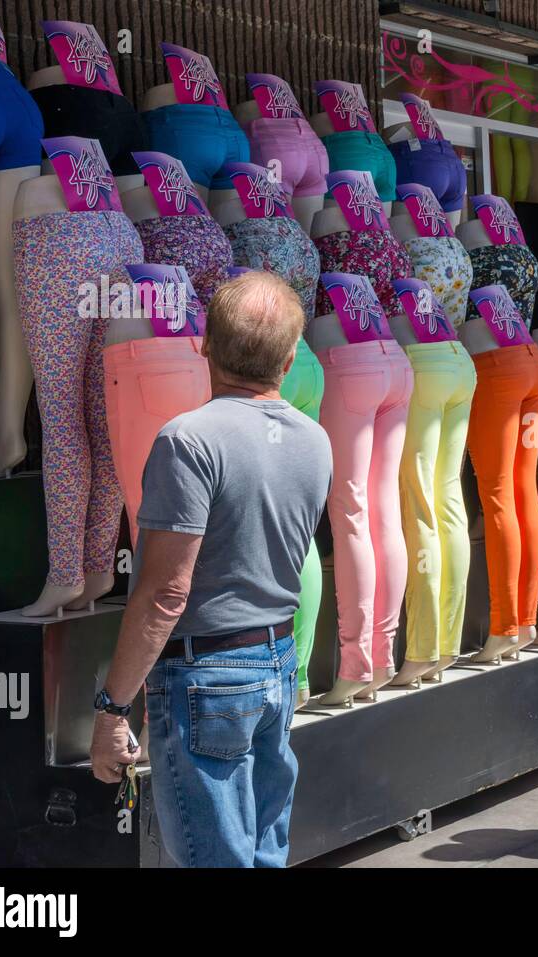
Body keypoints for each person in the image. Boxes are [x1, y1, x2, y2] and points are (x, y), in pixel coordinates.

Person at [89, 272, 332, 867]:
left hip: (206, 673)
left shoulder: (188, 441)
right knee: (262, 854)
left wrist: (112, 707)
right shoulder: (316, 441)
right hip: (275, 662)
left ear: (205, 345)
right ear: (289, 356)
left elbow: (166, 593)